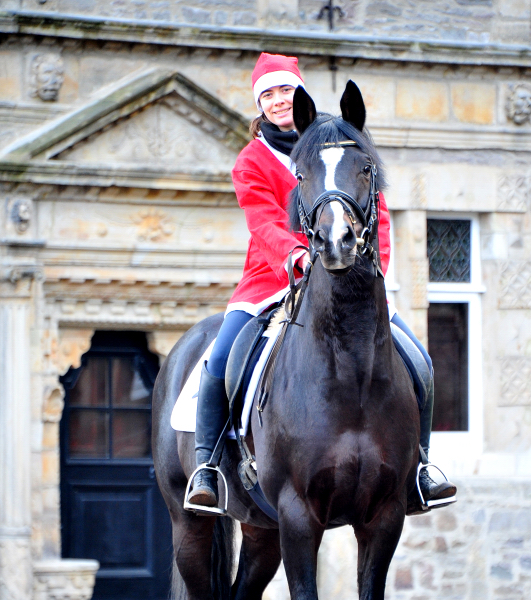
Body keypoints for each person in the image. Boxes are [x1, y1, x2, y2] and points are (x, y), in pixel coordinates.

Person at [185, 52, 456, 512]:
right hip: (271, 279)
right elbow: (263, 223)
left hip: (350, 280)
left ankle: (422, 466)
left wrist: (375, 268)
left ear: (300, 93)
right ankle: (207, 465)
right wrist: (294, 255)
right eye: (267, 94)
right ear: (259, 104)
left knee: (419, 360)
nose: (277, 101)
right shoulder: (251, 160)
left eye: (285, 90)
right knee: (219, 361)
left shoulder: (337, 143)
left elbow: (378, 214)